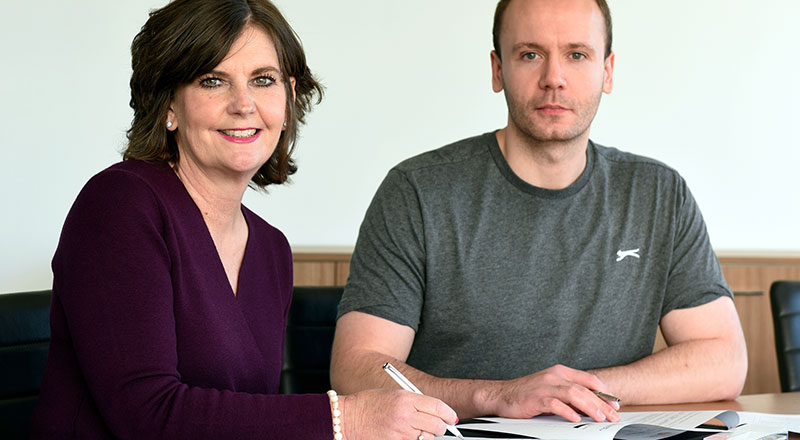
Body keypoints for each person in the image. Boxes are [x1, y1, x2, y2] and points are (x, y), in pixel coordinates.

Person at [30, 1, 457, 439]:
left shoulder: (271, 250)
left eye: (263, 80)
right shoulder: (120, 204)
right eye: (212, 81)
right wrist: (345, 419)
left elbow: (250, 420)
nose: (243, 104)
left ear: (288, 99)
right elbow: (146, 415)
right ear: (168, 106)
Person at [330, 0, 748, 424]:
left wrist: (574, 392)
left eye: (577, 55)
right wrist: (500, 396)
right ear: (497, 70)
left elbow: (723, 359)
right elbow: (356, 367)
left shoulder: (659, 193)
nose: (554, 79)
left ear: (607, 71)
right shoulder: (416, 191)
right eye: (530, 54)